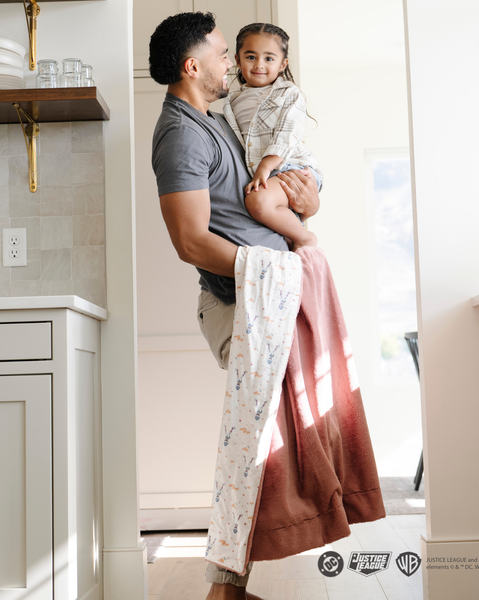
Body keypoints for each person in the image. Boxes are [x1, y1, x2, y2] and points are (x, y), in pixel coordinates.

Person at [148, 11, 320, 600]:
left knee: (268, 446)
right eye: (223, 54)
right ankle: (224, 590)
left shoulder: (218, 120)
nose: (232, 64)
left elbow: (275, 189)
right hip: (241, 303)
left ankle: (232, 586)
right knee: (253, 447)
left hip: (268, 297)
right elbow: (191, 240)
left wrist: (306, 200)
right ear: (192, 66)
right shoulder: (181, 135)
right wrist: (271, 266)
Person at [223, 23, 322, 250]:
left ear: (282, 64)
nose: (259, 64)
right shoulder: (232, 101)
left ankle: (305, 238)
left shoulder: (289, 94)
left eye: (269, 58)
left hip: (292, 167)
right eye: (251, 57)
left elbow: (287, 136)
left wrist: (265, 167)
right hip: (263, 173)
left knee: (258, 202)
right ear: (237, 60)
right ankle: (293, 242)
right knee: (271, 225)